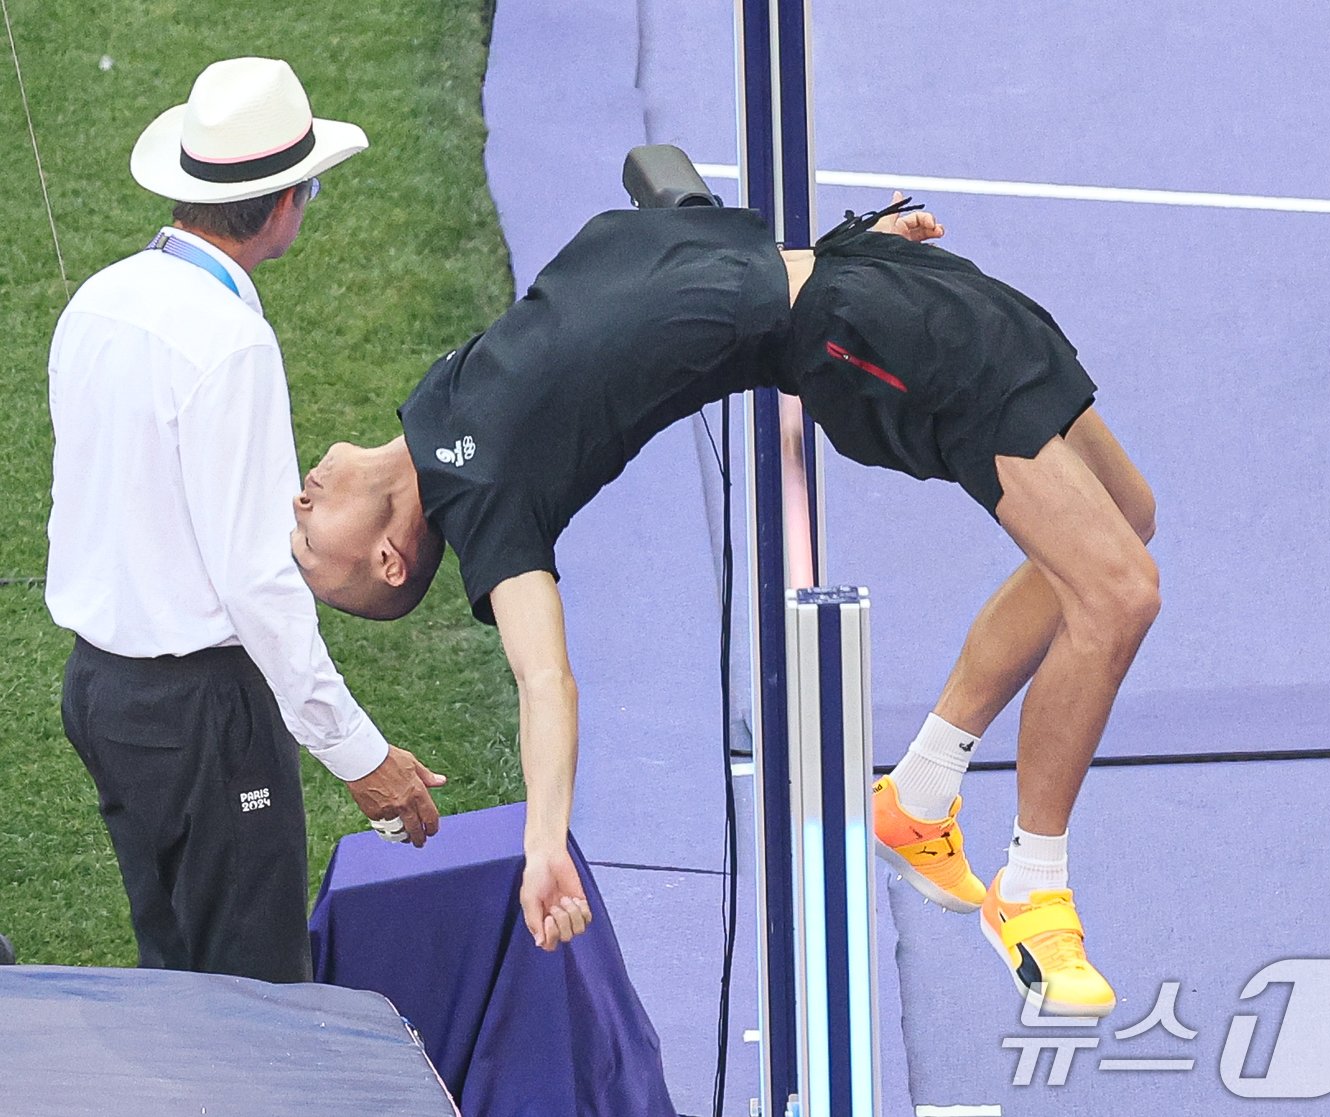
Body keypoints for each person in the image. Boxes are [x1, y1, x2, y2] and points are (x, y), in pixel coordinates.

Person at [290, 190, 1157, 1015]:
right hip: (867, 334)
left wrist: (825, 250)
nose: (297, 503)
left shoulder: (444, 393)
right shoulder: (485, 500)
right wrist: (545, 841)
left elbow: (656, 274)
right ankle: (1033, 886)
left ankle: (920, 794)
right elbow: (545, 677)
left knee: (1127, 518)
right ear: (390, 558)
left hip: (877, 279)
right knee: (1116, 594)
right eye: (309, 540)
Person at [46, 57, 446, 984]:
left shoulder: (96, 300)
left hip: (101, 694)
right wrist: (361, 753)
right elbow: (258, 581)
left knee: (176, 975)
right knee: (253, 1000)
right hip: (203, 717)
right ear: (284, 203)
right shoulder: (230, 344)